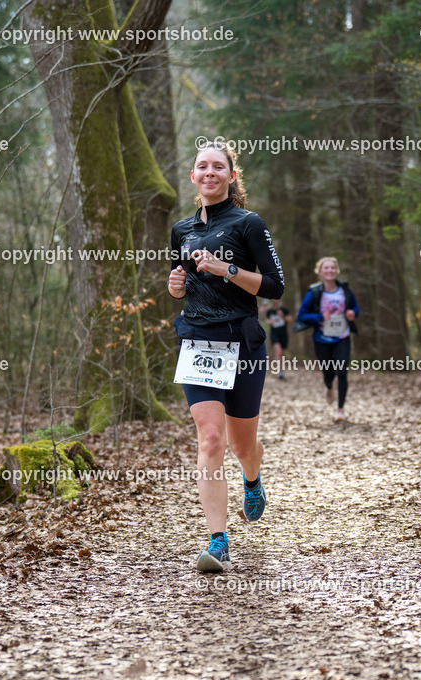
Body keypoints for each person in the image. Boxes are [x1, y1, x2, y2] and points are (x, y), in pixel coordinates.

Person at [166, 141, 285, 573]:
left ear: (232, 177)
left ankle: (251, 480)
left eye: (219, 166)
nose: (210, 172)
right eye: (202, 166)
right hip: (197, 341)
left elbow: (275, 286)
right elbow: (181, 283)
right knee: (210, 439)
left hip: (243, 342)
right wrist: (176, 287)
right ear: (194, 176)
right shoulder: (181, 229)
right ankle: (218, 542)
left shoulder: (248, 223)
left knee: (241, 444)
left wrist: (226, 269)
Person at [297, 257, 359, 421]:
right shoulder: (315, 292)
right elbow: (302, 315)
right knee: (328, 372)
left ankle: (340, 409)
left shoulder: (344, 289)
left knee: (342, 371)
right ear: (319, 272)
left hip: (342, 336)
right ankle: (329, 386)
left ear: (337, 270)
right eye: (326, 268)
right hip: (322, 338)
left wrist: (353, 313)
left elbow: (355, 307)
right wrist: (318, 316)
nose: (330, 270)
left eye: (333, 268)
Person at [264, 299, 291, 379]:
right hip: (274, 334)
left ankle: (281, 370)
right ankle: (279, 371)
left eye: (276, 299)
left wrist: (282, 315)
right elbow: (267, 320)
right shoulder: (270, 311)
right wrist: (270, 322)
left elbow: (290, 320)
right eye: (273, 299)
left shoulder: (284, 310)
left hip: (283, 334)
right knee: (278, 351)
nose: (275, 301)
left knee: (282, 353)